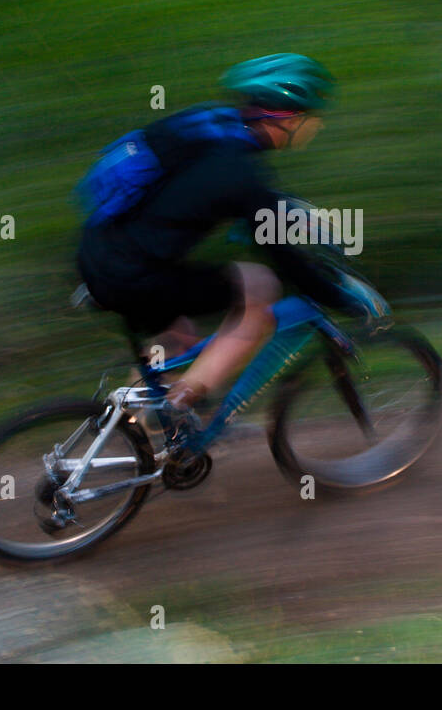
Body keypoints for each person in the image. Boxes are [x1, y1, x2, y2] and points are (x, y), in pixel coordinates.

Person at [75, 54, 366, 471]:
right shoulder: (243, 175)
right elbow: (285, 258)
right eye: (309, 116)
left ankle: (131, 433)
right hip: (132, 274)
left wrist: (280, 215)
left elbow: (197, 192)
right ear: (284, 116)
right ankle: (177, 407)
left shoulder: (207, 124)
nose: (314, 126)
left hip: (98, 253)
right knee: (261, 286)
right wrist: (339, 297)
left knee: (177, 338)